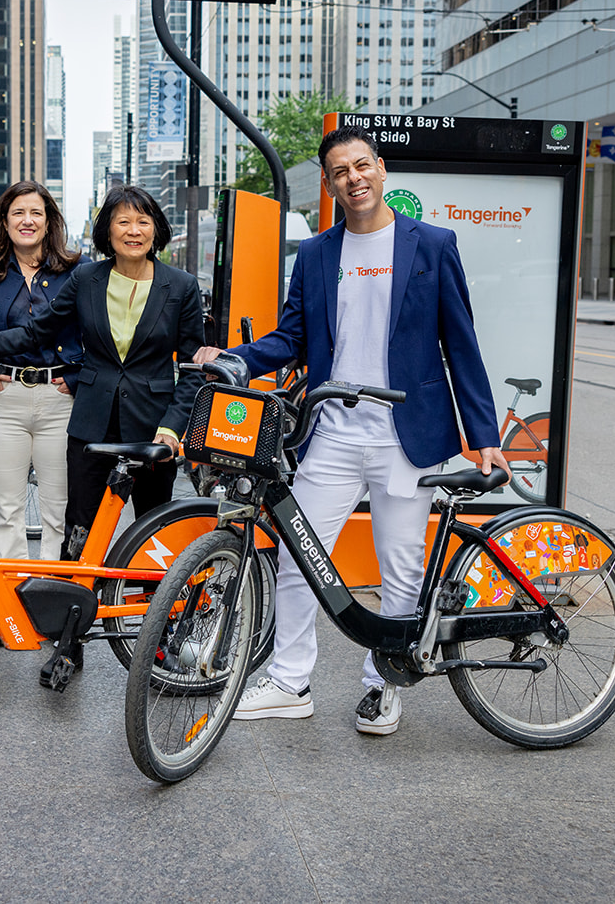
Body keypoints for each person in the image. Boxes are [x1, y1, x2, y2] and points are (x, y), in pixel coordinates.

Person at [196, 124, 503, 736]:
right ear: (331, 185)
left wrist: (484, 432)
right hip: (331, 432)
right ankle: (289, 681)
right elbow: (291, 339)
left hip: (405, 435)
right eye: (341, 172)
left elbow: (460, 345)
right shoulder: (314, 255)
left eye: (362, 166)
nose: (354, 179)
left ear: (381, 169)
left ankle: (381, 686)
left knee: (400, 566)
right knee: (296, 555)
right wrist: (235, 358)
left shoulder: (433, 245)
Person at [0, 184, 205, 577]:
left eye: (143, 221)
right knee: (78, 528)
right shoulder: (87, 279)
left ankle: (156, 618)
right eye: (123, 221)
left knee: (156, 529)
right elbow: (36, 332)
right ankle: (69, 617)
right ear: (107, 231)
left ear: (156, 229)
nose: (133, 230)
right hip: (90, 422)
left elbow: (193, 367)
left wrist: (172, 428)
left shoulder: (181, 286)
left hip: (154, 425)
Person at [0, 180, 82, 563]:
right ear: (5, 221)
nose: (27, 221)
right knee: (6, 513)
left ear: (49, 221)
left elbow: (101, 332)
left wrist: (75, 379)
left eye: (36, 213)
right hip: (1, 401)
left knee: (57, 512)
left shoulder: (76, 271)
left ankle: (52, 602)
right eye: (18, 213)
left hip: (60, 403)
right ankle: (12, 613)